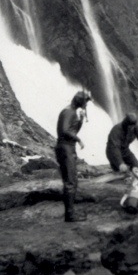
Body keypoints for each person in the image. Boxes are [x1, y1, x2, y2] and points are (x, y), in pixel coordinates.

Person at [55, 90, 92, 222]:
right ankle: (70, 216)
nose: (86, 106)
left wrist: (81, 119)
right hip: (65, 148)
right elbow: (65, 131)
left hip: (67, 148)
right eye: (85, 103)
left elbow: (72, 130)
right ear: (80, 101)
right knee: (70, 182)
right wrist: (78, 139)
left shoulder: (70, 111)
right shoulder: (68, 111)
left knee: (72, 181)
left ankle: (70, 213)